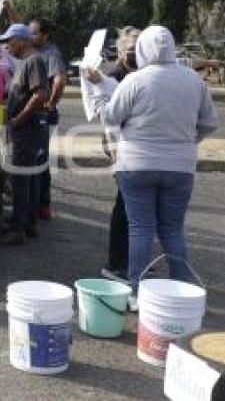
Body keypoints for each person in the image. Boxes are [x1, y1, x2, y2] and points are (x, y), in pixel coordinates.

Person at [83, 26, 219, 308]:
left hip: (137, 163)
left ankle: (136, 290)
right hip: (180, 166)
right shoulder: (193, 80)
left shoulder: (136, 80)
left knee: (141, 228)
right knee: (172, 228)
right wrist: (186, 141)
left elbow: (111, 117)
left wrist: (98, 92)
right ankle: (183, 289)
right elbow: (209, 123)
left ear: (143, 49)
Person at [0, 24, 48, 246]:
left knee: (20, 180)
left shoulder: (32, 61)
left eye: (9, 41)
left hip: (26, 130)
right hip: (24, 129)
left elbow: (41, 94)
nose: (6, 46)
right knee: (26, 178)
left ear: (21, 41)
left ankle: (18, 230)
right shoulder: (25, 62)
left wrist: (18, 119)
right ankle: (27, 222)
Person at [99, 27, 141, 284]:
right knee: (126, 208)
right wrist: (115, 154)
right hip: (121, 147)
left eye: (139, 48)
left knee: (138, 212)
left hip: (139, 149)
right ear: (120, 51)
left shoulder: (144, 74)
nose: (135, 53)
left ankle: (134, 261)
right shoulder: (114, 76)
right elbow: (108, 121)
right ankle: (118, 262)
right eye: (131, 49)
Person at [29, 18, 67, 220]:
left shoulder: (51, 54)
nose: (30, 35)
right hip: (39, 116)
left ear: (45, 35)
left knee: (40, 162)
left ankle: (42, 206)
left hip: (44, 117)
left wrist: (50, 104)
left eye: (34, 33)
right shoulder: (37, 52)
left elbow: (60, 81)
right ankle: (40, 205)